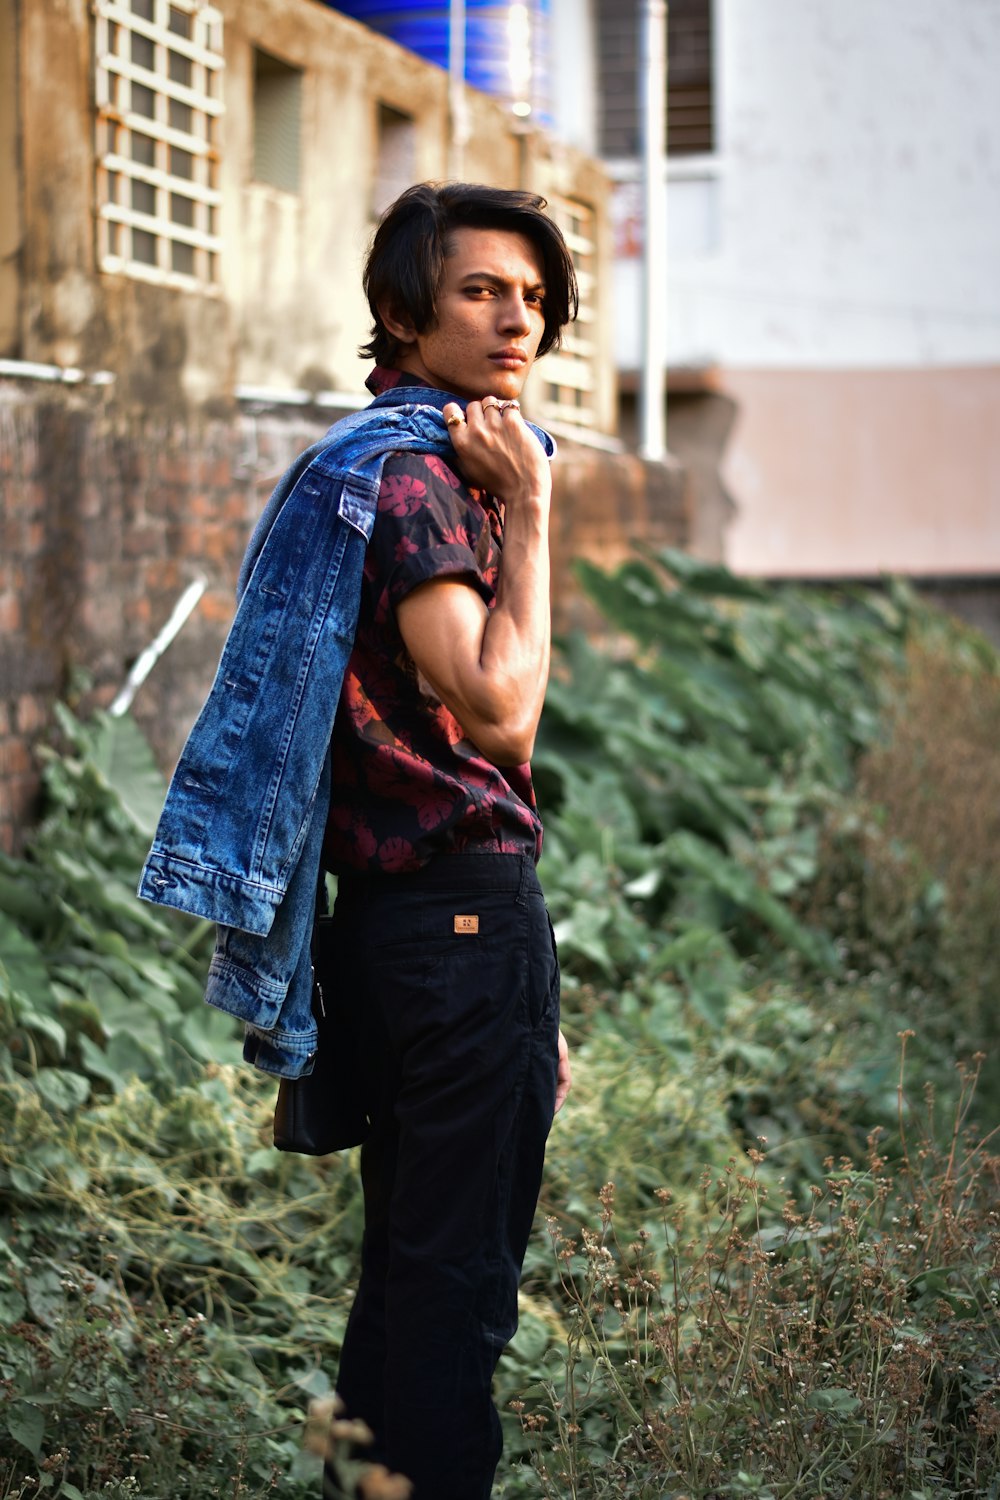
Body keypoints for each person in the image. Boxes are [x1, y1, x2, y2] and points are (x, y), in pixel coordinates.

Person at [322, 182, 574, 1499]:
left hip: (425, 931)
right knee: (451, 1302)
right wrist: (529, 511)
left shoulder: (393, 458)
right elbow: (500, 715)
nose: (515, 319)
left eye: (531, 297)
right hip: (453, 929)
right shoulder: (426, 476)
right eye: (481, 291)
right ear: (402, 313)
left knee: (413, 1279)